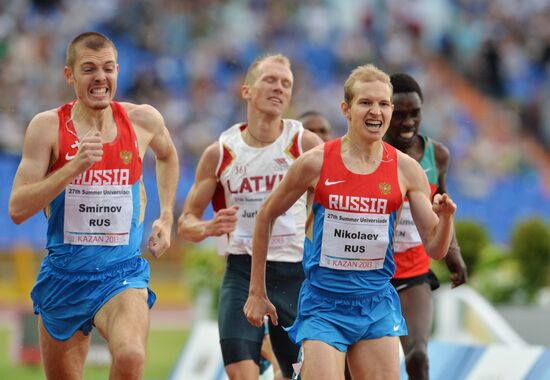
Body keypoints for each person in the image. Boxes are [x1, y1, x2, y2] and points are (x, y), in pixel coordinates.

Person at [244, 64, 457, 380]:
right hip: (324, 306)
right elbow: (266, 216)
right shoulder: (316, 162)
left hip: (376, 305)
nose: (376, 111)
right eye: (366, 103)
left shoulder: (407, 170)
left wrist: (447, 217)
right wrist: (257, 291)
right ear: (346, 109)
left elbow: (435, 249)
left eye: (383, 104)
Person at [8, 32, 179, 380]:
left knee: (130, 356)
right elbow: (17, 208)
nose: (100, 77)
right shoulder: (47, 128)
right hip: (64, 276)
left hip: (122, 274)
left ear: (118, 70)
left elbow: (168, 155)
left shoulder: (143, 120)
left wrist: (166, 215)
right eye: (88, 69)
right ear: (70, 75)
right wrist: (73, 167)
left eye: (107, 68)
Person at [177, 53, 322, 380]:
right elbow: (185, 223)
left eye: (286, 84)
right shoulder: (221, 152)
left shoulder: (305, 144)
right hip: (241, 271)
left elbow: (328, 201)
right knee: (240, 371)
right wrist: (207, 227)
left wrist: (310, 229)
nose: (279, 88)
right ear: (247, 91)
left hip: (293, 274)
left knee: (294, 373)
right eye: (270, 80)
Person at [385, 72, 468, 380]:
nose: (408, 122)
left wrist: (453, 254)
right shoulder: (368, 154)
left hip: (413, 270)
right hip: (366, 273)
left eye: (415, 113)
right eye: (400, 114)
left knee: (418, 356)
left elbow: (445, 207)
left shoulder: (437, 155)